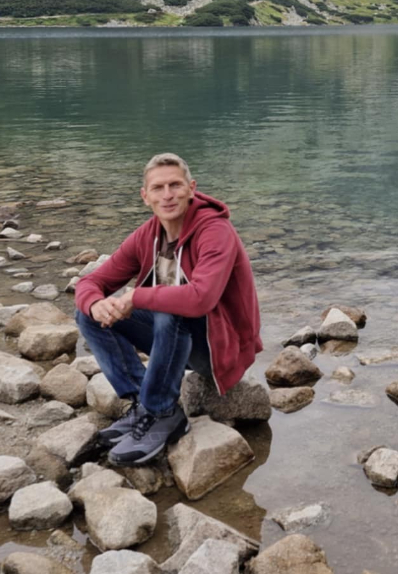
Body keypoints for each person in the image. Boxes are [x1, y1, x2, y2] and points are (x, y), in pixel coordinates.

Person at [74, 152, 262, 465]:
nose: (168, 194)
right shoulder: (147, 235)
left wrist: (135, 297)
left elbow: (200, 299)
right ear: (145, 196)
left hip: (219, 349)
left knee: (171, 308)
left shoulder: (215, 231)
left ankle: (163, 411)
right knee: (87, 315)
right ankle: (143, 404)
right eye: (158, 188)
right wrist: (96, 304)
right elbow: (90, 282)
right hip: (176, 340)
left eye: (175, 185)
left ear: (191, 188)